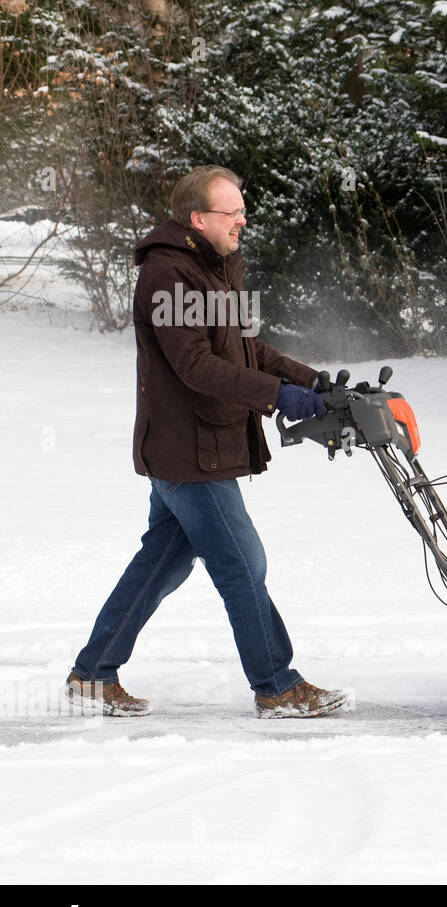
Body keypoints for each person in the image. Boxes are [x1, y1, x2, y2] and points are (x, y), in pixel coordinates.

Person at [66, 165, 348, 719]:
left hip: (195, 446)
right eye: (232, 212)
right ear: (198, 218)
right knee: (244, 564)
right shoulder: (170, 275)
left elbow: (246, 347)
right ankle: (276, 686)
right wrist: (275, 397)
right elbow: (196, 366)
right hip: (188, 451)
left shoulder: (214, 268)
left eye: (242, 209)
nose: (243, 220)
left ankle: (92, 674)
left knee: (163, 563)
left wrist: (311, 381)